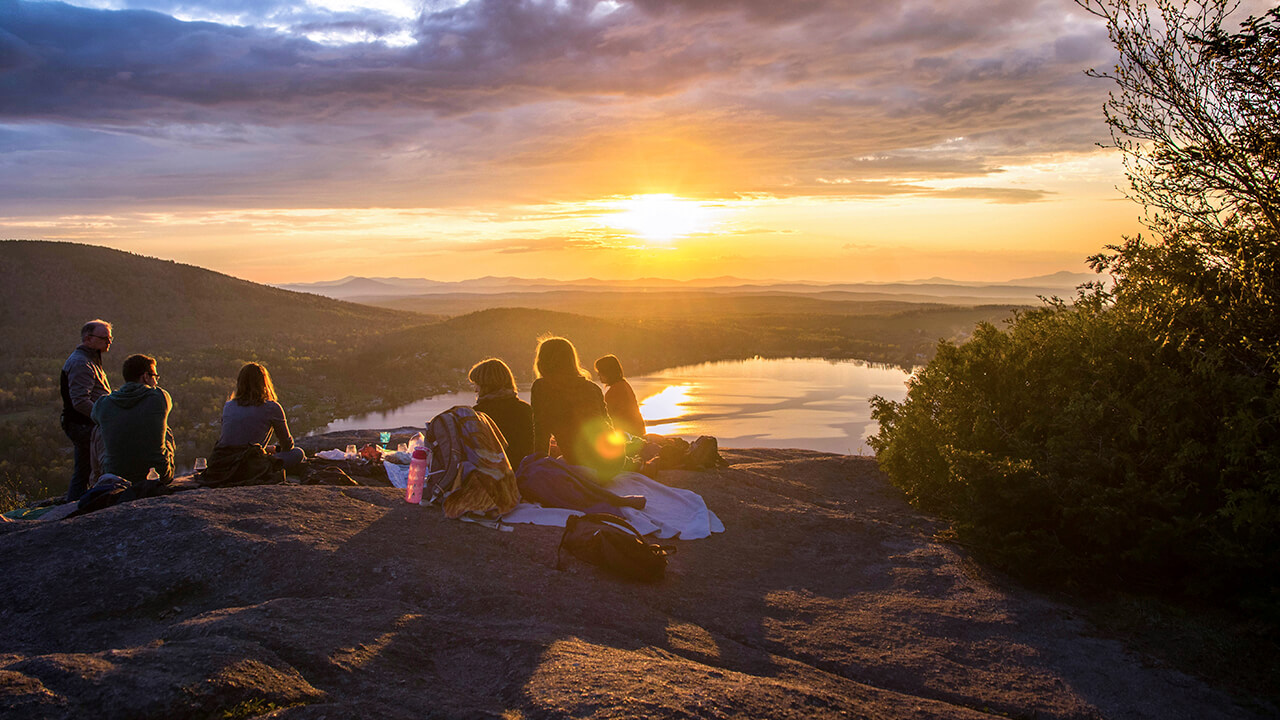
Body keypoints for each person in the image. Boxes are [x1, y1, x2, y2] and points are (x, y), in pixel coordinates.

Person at [530, 337, 624, 478]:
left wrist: (538, 469)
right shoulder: (592, 387)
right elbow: (608, 424)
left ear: (542, 361)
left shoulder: (542, 387)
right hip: (615, 461)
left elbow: (541, 432)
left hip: (585, 465)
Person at [91, 354, 175, 494]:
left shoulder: (103, 404)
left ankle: (96, 482)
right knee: (165, 429)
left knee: (98, 429)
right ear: (145, 377)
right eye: (155, 376)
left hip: (115, 476)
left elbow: (94, 417)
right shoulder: (160, 397)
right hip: (158, 475)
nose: (156, 380)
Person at [60, 319, 113, 501]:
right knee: (87, 469)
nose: (109, 341)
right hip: (84, 425)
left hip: (85, 423)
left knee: (85, 469)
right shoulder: (81, 363)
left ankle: (76, 504)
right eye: (104, 338)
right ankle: (77, 507)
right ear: (88, 339)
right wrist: (103, 418)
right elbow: (81, 401)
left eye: (110, 337)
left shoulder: (89, 360)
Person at [218, 362, 306, 469]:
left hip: (223, 463)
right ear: (264, 383)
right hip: (250, 466)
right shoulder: (271, 407)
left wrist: (267, 449)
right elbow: (287, 445)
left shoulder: (228, 405)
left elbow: (236, 441)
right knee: (297, 453)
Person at [469, 358, 534, 469]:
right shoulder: (525, 409)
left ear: (486, 385)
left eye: (477, 384)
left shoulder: (478, 414)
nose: (475, 390)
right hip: (525, 472)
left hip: (493, 476)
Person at [594, 354, 646, 438]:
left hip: (628, 435)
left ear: (608, 372)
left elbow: (606, 416)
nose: (598, 375)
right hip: (636, 432)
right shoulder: (623, 385)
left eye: (600, 372)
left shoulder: (615, 391)